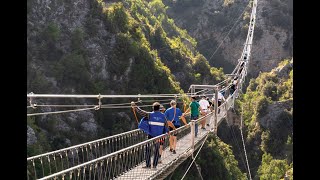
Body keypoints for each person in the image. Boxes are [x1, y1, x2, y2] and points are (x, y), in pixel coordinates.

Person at [131, 101, 168, 169]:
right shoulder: (163, 116)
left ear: (153, 108)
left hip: (150, 135)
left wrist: (135, 106)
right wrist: (164, 134)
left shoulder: (150, 114)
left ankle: (148, 165)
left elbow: (141, 112)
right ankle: (154, 166)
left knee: (147, 150)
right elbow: (166, 126)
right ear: (159, 108)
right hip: (159, 137)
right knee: (156, 151)